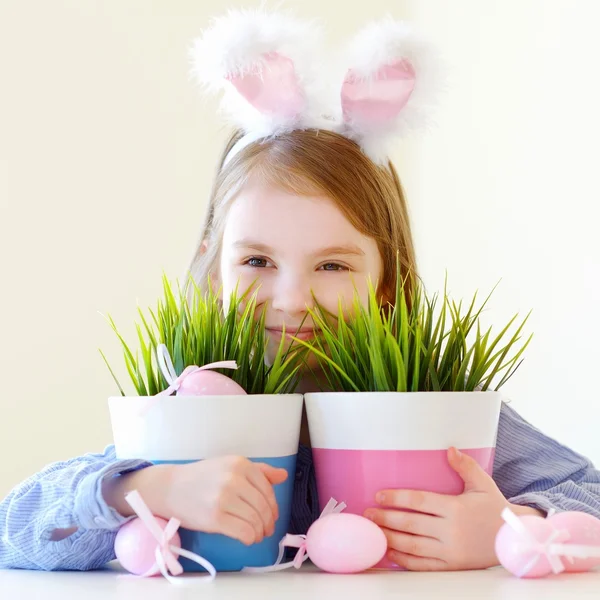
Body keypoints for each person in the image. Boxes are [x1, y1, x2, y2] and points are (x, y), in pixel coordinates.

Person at [1, 10, 599, 573]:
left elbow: (588, 491)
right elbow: (14, 529)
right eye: (258, 259)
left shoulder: (431, 406)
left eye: (333, 266)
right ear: (216, 273)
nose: (291, 299)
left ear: (385, 284)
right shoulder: (197, 403)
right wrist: (139, 488)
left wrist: (509, 524)